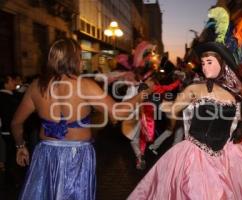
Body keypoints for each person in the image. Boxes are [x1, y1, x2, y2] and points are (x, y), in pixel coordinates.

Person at [128, 41, 242, 200]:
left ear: (222, 64)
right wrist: (148, 96)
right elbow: (171, 108)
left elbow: (241, 115)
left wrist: (241, 127)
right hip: (195, 158)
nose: (204, 67)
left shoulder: (235, 92)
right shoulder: (195, 89)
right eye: (202, 63)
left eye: (209, 62)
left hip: (226, 158)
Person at [11, 38, 153, 200]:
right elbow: (118, 112)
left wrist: (20, 145)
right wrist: (143, 93)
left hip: (45, 155)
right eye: (80, 56)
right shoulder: (85, 85)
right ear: (74, 59)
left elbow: (16, 123)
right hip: (76, 157)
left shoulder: (36, 86)